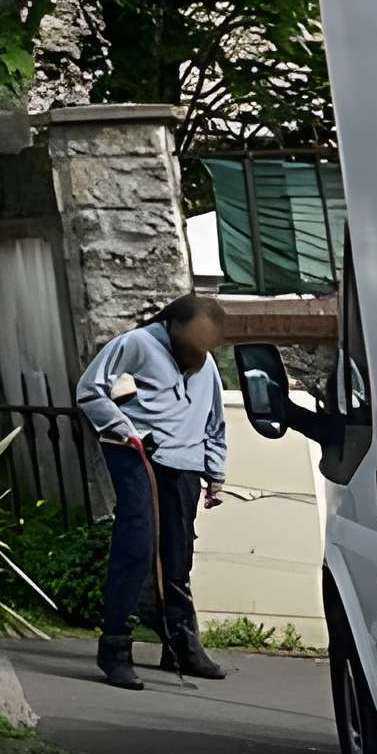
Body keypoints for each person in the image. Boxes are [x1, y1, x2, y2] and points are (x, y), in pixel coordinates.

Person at [74, 293, 230, 687]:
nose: (198, 356)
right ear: (172, 327)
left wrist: (215, 474)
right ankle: (114, 648)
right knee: (137, 545)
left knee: (178, 556)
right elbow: (90, 390)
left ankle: (180, 645)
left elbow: (215, 421)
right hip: (137, 454)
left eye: (205, 349)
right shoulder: (138, 343)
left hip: (186, 465)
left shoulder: (207, 364)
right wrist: (128, 431)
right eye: (192, 347)